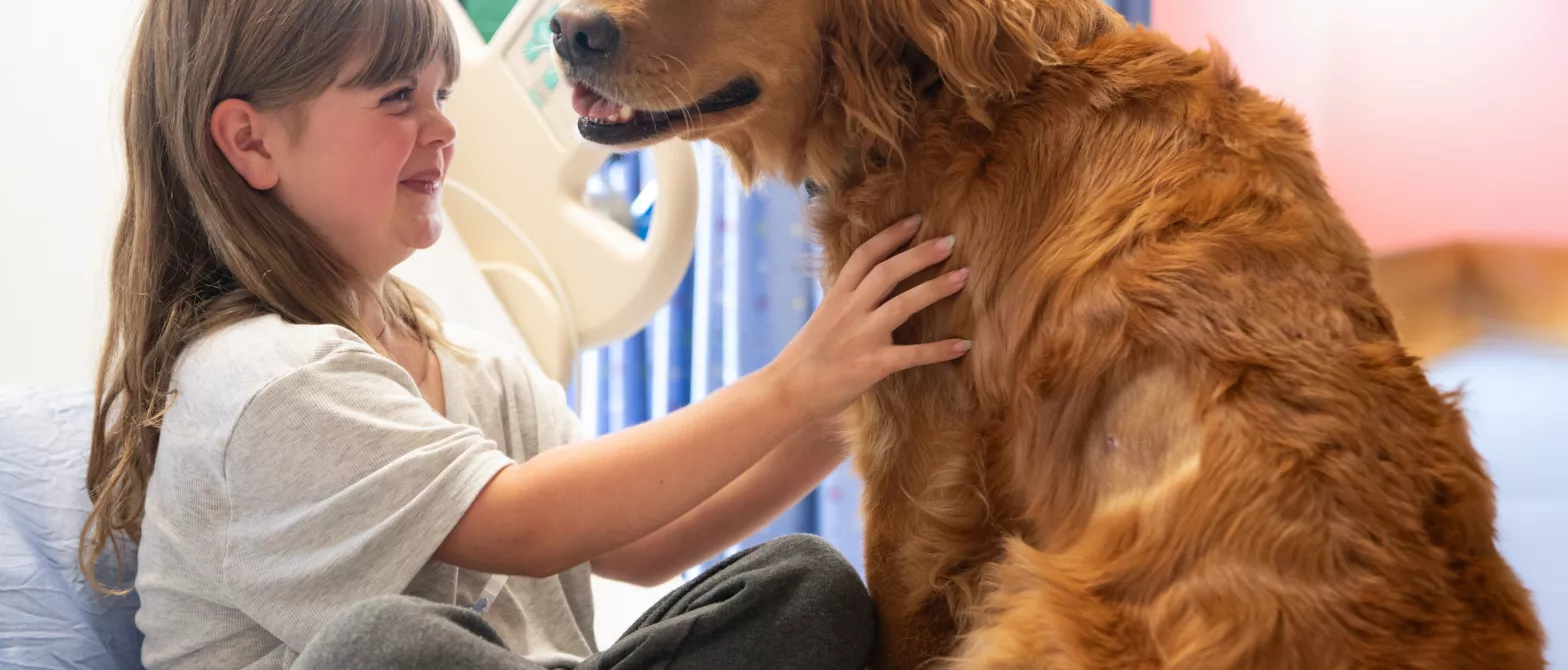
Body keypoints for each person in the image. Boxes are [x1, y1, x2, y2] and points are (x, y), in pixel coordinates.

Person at [78, 1, 970, 668]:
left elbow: (645, 540)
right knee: (386, 648)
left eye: (441, 95)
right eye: (398, 100)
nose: (442, 131)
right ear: (251, 144)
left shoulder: (474, 369)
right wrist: (795, 382)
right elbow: (528, 523)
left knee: (803, 586)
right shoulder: (257, 381)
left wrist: (857, 379)